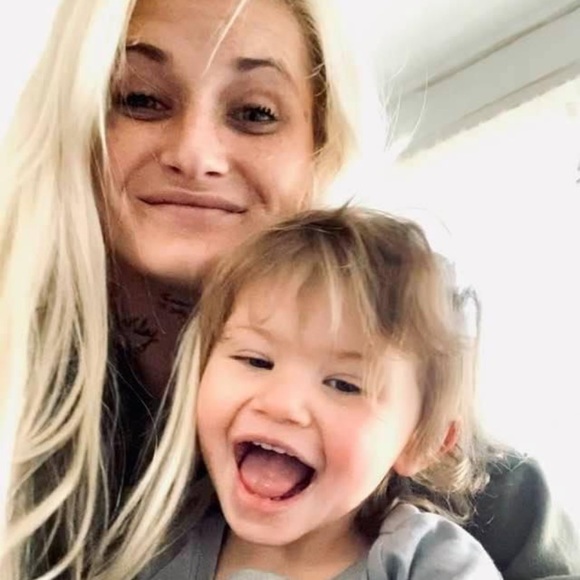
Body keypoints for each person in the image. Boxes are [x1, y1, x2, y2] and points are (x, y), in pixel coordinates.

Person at [0, 0, 577, 578]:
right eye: (142, 99)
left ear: (321, 144)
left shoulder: (476, 499)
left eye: (254, 112)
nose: (195, 155)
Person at [142, 206, 502, 579]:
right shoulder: (159, 543)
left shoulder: (429, 563)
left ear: (420, 443)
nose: (281, 404)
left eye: (344, 385)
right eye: (256, 361)